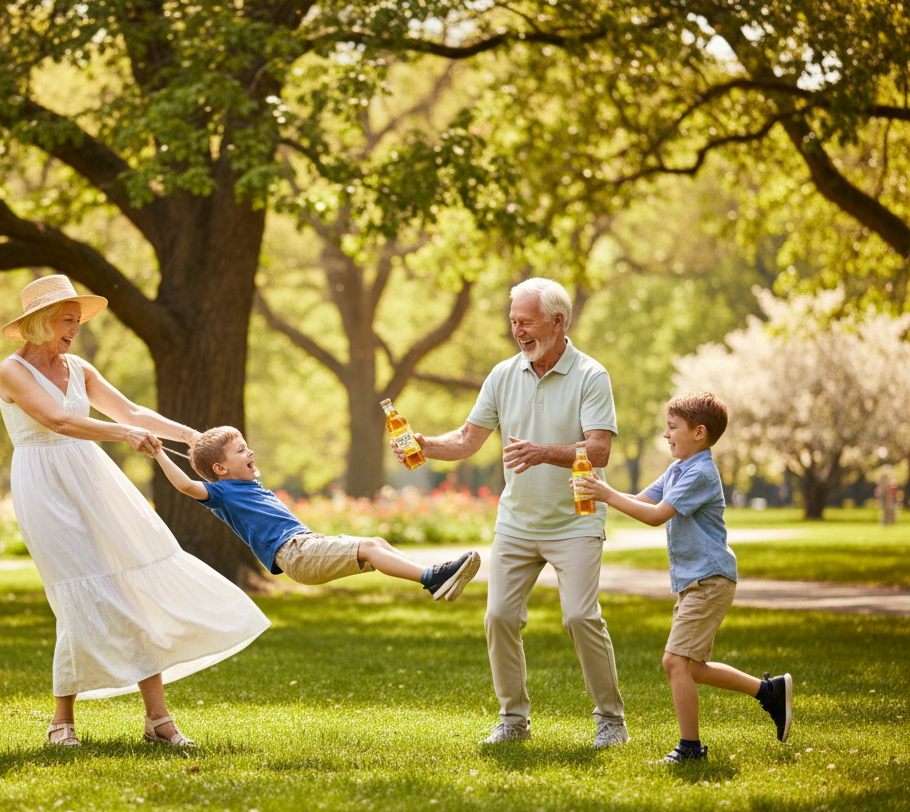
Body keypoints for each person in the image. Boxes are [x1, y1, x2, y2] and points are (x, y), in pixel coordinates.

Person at [0, 275, 270, 750]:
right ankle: (62, 721)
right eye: (67, 319)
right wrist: (122, 435)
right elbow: (57, 420)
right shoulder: (12, 371)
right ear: (40, 322)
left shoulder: (78, 367)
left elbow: (130, 411)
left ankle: (158, 720)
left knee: (132, 583)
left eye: (77, 320)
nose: (74, 329)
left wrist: (187, 435)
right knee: (76, 590)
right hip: (45, 484)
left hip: (93, 477)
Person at [397, 277, 628, 749]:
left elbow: (599, 451)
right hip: (517, 523)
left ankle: (611, 721)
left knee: (581, 618)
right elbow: (466, 439)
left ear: (557, 322)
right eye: (512, 322)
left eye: (525, 322)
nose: (517, 331)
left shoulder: (591, 375)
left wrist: (543, 452)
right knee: (499, 616)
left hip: (575, 520)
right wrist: (426, 445)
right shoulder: (503, 375)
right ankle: (513, 720)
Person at [573, 392, 792, 763]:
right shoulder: (679, 469)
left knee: (674, 662)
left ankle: (690, 749)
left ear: (699, 433)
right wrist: (598, 487)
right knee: (691, 667)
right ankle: (769, 692)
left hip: (709, 580)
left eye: (672, 428)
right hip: (698, 581)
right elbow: (643, 501)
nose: (665, 434)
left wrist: (605, 494)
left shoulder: (702, 473)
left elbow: (658, 516)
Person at [153, 427, 481, 599]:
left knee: (377, 542)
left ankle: (434, 576)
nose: (250, 451)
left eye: (247, 445)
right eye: (241, 450)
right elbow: (185, 485)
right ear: (219, 468)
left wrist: (208, 441)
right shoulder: (221, 493)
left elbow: (215, 454)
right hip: (296, 554)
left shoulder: (246, 483)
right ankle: (432, 578)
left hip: (306, 545)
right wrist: (159, 454)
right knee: (369, 548)